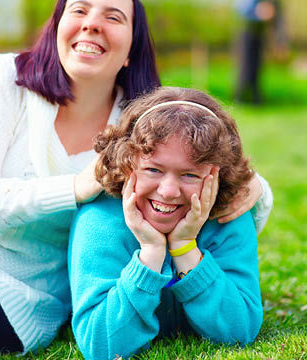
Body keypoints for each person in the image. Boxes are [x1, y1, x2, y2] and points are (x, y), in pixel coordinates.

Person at [0, 0, 270, 359]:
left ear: (132, 48)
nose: (92, 23)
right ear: (57, 28)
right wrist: (75, 186)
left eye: (114, 17)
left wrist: (256, 187)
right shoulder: (6, 77)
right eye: (79, 10)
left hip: (7, 287)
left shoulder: (138, 128)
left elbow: (193, 157)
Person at [69, 87, 264, 360]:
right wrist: (150, 254)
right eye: (153, 170)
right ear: (127, 163)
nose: (169, 191)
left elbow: (238, 331)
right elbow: (101, 346)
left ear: (216, 176)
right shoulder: (100, 221)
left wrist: (185, 249)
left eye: (189, 175)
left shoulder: (228, 216)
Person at [234, 0, 287, 104]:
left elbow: (278, 23)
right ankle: (241, 97)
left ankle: (256, 97)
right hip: (247, 34)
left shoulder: (275, 2)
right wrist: (257, 14)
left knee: (258, 67)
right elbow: (240, 9)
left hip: (260, 35)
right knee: (245, 66)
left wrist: (280, 43)